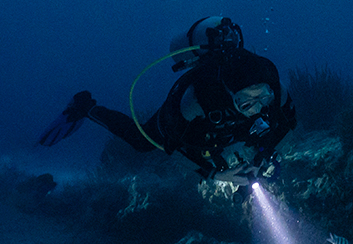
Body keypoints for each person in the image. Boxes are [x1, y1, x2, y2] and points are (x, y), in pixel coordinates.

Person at [39, 16, 296, 183]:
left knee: (251, 131)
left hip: (226, 124)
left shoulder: (274, 87)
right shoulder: (194, 100)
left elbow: (286, 123)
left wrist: (264, 154)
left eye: (264, 97)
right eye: (247, 103)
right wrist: (215, 174)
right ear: (230, 95)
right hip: (195, 123)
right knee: (143, 142)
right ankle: (85, 107)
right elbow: (173, 150)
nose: (258, 109)